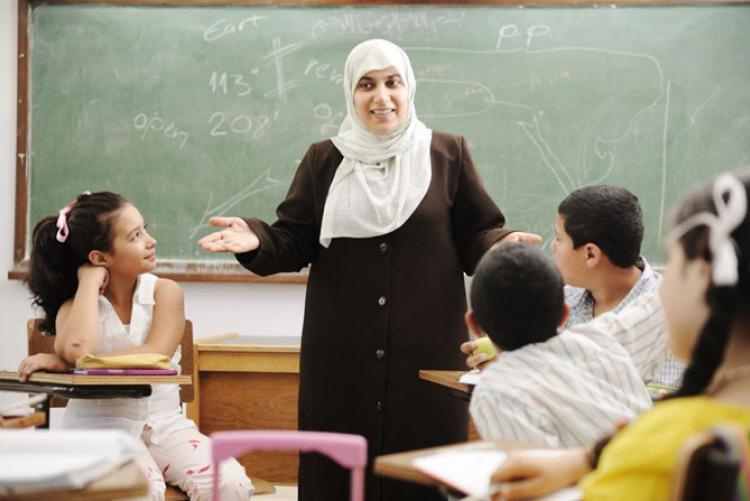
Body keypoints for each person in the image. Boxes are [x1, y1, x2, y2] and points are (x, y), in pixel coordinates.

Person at [197, 39, 540, 501]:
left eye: (392, 82)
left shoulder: (447, 153)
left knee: (425, 473)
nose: (382, 97)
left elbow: (478, 234)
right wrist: (258, 237)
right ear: (350, 93)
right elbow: (294, 239)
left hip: (427, 353)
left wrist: (502, 245)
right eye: (366, 85)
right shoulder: (325, 159)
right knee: (337, 473)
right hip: (342, 355)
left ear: (409, 86)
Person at [489, 171, 750, 500]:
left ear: (701, 278)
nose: (662, 283)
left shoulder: (661, 444)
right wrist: (584, 460)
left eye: (674, 263)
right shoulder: (685, 433)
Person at [16, 191, 254, 501]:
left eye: (145, 229)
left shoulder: (165, 293)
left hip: (165, 425)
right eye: (136, 236)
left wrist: (75, 365)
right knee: (138, 491)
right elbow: (77, 347)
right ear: (100, 258)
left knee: (228, 482)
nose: (150, 240)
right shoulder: (75, 307)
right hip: (100, 429)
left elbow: (155, 355)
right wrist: (88, 282)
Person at [467, 243, 652, 447]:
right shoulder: (601, 340)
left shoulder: (496, 391)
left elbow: (533, 472)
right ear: (565, 313)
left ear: (474, 324)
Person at [554, 185, 684, 387]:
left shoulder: (672, 319)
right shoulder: (558, 305)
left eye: (559, 238)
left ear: (590, 254)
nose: (553, 246)